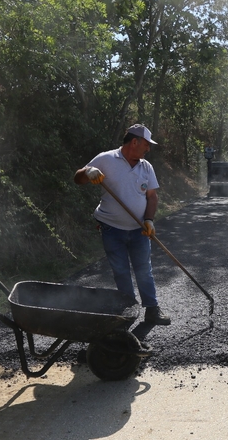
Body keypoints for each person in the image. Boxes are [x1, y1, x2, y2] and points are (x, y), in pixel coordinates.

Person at [74, 124, 170, 325]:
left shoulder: (146, 167)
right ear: (134, 142)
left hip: (139, 230)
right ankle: (128, 311)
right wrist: (88, 171)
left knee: (144, 268)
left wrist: (149, 220)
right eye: (146, 144)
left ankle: (152, 309)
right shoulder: (106, 159)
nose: (148, 149)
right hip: (111, 229)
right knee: (121, 271)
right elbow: (78, 178)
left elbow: (152, 197)